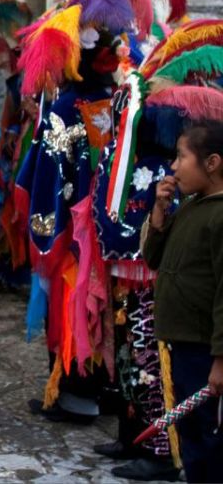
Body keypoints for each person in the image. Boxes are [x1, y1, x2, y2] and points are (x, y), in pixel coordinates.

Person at [143, 124, 223, 482]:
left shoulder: (219, 217)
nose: (173, 167)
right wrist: (159, 214)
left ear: (212, 163)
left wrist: (220, 361)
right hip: (182, 344)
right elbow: (153, 259)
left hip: (205, 348)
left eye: (181, 157)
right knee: (190, 431)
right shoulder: (191, 207)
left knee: (209, 436)